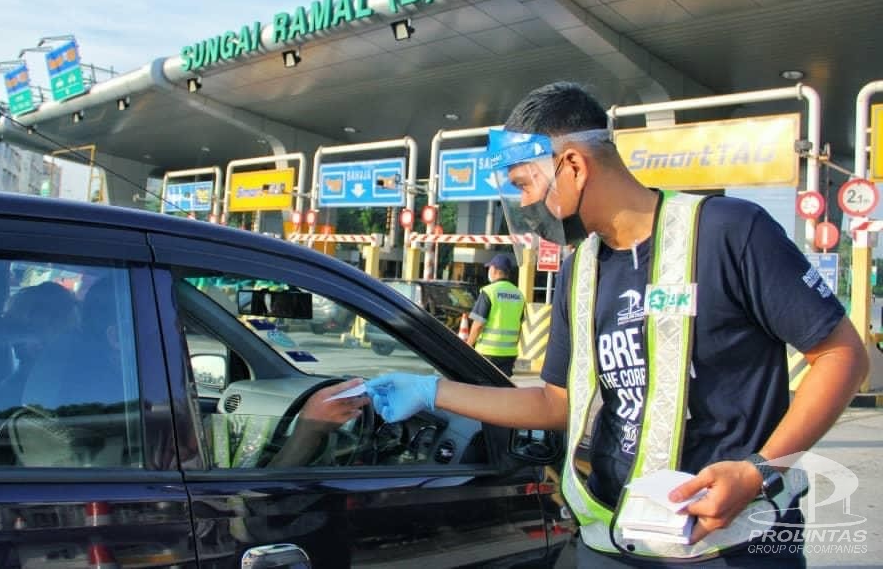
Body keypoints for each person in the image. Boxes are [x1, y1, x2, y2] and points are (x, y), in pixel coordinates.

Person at [367, 81, 868, 567]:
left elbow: (843, 355)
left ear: (573, 166)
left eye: (525, 184)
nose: (522, 203)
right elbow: (554, 401)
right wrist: (432, 391)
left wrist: (758, 471)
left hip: (726, 546)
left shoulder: (730, 232)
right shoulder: (578, 270)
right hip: (613, 541)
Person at [466, 252, 524, 377]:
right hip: (509, 354)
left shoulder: (489, 291)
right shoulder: (519, 295)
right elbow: (519, 325)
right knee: (502, 390)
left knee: (485, 390)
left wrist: (468, 346)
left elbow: (478, 325)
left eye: (489, 268)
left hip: (487, 353)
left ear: (494, 270)